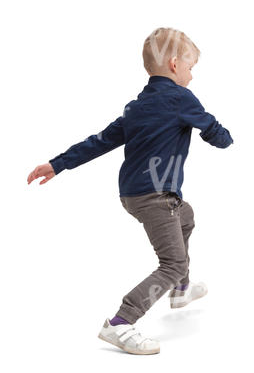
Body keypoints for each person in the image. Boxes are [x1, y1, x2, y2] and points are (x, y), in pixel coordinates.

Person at [26, 27, 234, 354]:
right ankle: (121, 323)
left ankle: (180, 289)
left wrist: (58, 164)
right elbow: (215, 132)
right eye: (191, 68)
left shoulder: (136, 107)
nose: (192, 76)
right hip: (156, 196)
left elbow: (99, 142)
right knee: (172, 262)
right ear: (175, 64)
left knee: (187, 217)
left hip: (133, 194)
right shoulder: (182, 98)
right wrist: (220, 135)